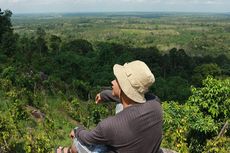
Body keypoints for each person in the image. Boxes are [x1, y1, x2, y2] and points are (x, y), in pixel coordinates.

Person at [56, 60, 163, 153]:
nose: (112, 82)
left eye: (117, 80)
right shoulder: (155, 104)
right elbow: (130, 99)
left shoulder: (109, 126)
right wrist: (104, 95)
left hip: (115, 134)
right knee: (120, 106)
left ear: (124, 88)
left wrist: (76, 130)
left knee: (78, 142)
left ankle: (68, 151)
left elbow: (87, 138)